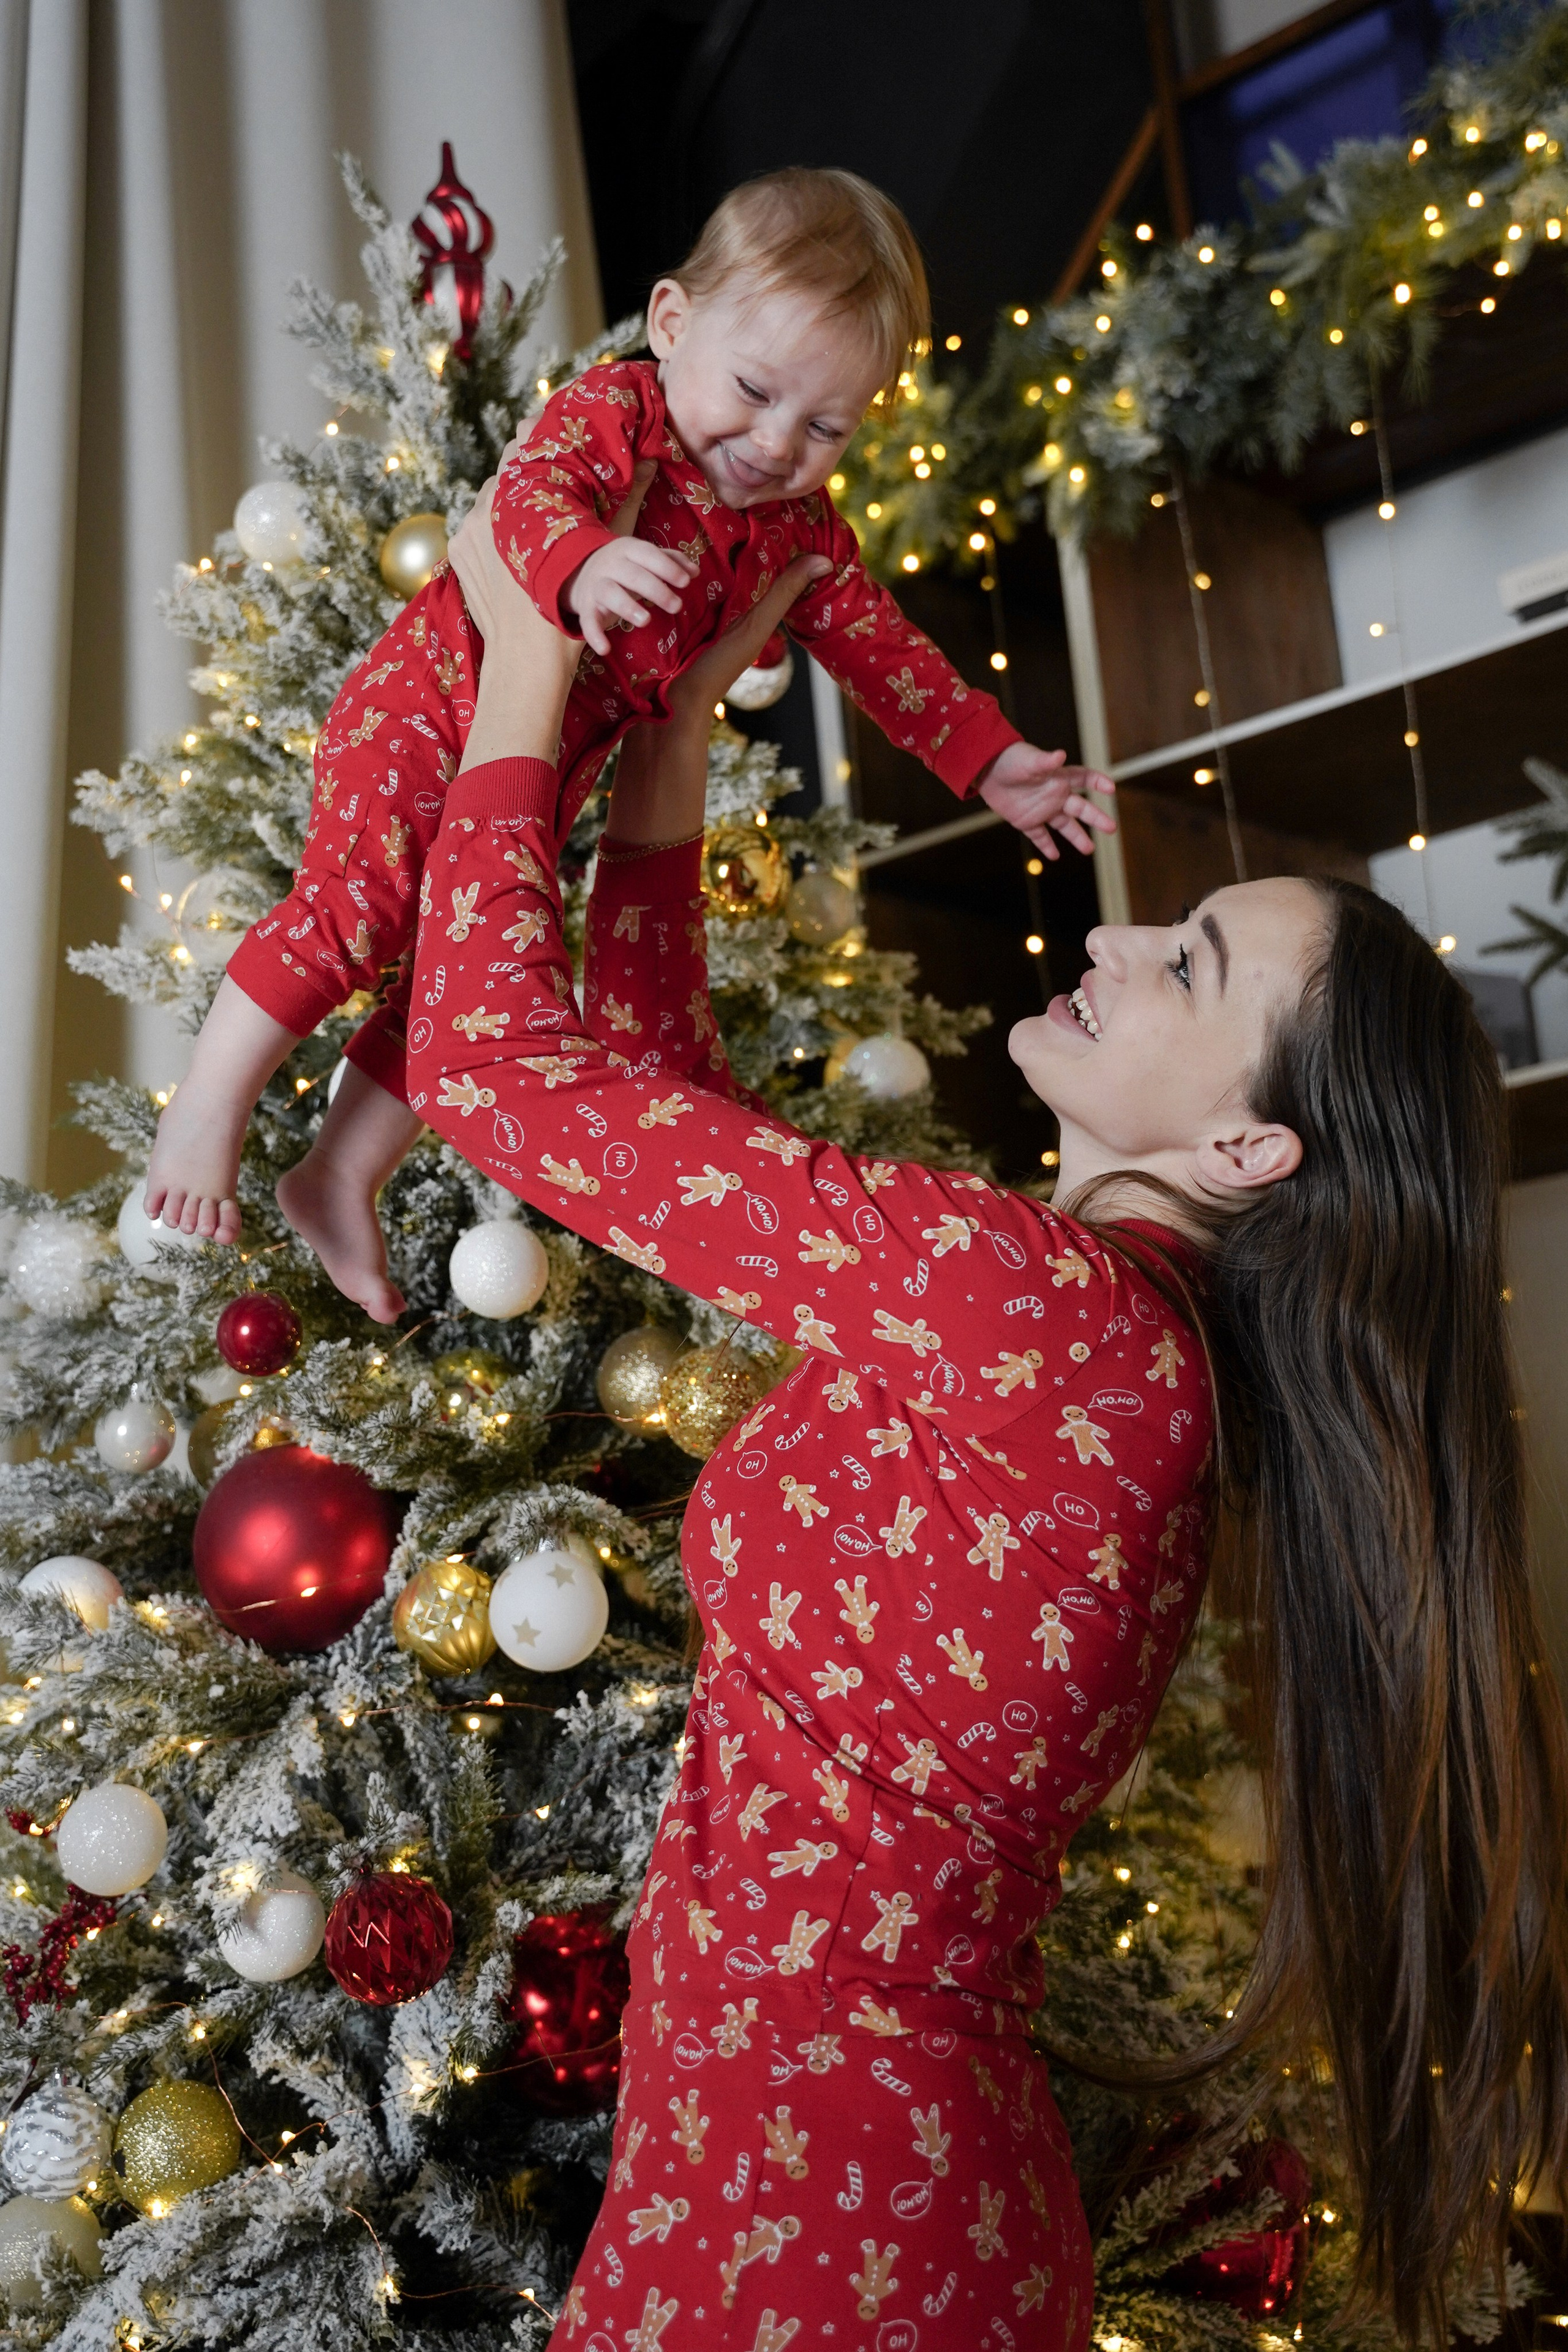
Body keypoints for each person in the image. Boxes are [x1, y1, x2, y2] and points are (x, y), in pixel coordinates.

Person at [391, 492, 1568, 2347]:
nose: (1114, 946)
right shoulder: (1082, 1330)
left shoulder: (1049, 1317)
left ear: (1249, 1151)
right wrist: (677, 737)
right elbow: (655, 1099)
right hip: (776, 2167)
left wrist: (525, 657)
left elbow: (485, 1066)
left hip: (832, 2204)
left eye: (1184, 964)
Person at [142, 166, 1114, 1313]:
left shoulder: (795, 530)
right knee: (357, 908)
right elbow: (527, 499)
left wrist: (996, 764)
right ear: (671, 323)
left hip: (539, 768)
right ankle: (204, 1118)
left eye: (825, 427)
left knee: (454, 972)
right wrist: (585, 561)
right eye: (753, 390)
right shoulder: (620, 411)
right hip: (426, 709)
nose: (772, 442)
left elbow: (886, 654)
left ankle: (339, 1171)